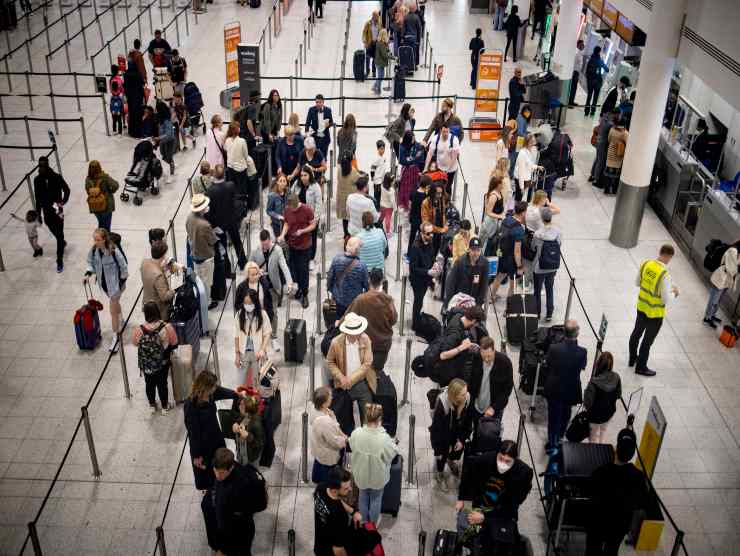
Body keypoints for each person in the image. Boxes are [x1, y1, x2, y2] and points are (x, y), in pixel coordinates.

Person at [455, 440, 533, 553]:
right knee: (463, 523)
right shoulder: (486, 459)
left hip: (502, 513)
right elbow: (468, 471)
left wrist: (484, 518)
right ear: (497, 454)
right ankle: (469, 547)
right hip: (482, 504)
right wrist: (461, 498)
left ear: (515, 460)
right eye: (500, 458)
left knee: (498, 543)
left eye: (508, 461)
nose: (503, 463)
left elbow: (511, 507)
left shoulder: (523, 474)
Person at [585, 428, 649, 555]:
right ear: (632, 454)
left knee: (592, 549)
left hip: (598, 522)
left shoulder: (601, 472)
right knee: (612, 549)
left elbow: (588, 492)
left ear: (616, 449)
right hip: (620, 526)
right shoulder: (639, 478)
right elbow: (642, 504)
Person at [203, 447, 267, 556]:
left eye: (222, 473)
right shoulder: (236, 467)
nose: (218, 476)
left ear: (231, 468)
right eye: (215, 471)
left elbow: (224, 525)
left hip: (237, 535)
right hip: (244, 526)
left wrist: (223, 549)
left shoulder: (232, 490)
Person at [184, 371, 242, 490]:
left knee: (220, 461)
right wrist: (197, 455)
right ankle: (211, 490)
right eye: (213, 386)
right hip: (203, 445)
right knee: (207, 470)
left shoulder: (211, 394)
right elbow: (193, 433)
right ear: (205, 388)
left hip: (215, 436)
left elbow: (221, 391)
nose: (215, 388)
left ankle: (221, 483)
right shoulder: (191, 406)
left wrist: (236, 394)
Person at [629, 244, 679, 377]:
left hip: (642, 307)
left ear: (660, 252)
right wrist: (675, 293)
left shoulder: (646, 264)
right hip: (655, 315)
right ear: (669, 256)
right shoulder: (665, 275)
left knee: (636, 334)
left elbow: (637, 283)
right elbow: (666, 299)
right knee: (647, 342)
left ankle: (632, 358)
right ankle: (641, 367)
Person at [349, 403, 399, 525]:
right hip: (377, 477)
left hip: (361, 473)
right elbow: (390, 455)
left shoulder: (357, 433)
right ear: (380, 419)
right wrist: (394, 443)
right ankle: (373, 525)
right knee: (376, 499)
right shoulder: (384, 438)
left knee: (363, 496)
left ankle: (364, 522)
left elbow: (351, 445)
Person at [248, 229, 295, 352]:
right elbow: (249, 267)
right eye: (263, 245)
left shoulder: (277, 250)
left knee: (273, 313)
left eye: (267, 244)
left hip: (273, 287)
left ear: (270, 240)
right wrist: (258, 271)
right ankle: (259, 335)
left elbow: (284, 267)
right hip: (259, 287)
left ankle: (273, 337)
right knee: (259, 311)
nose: (265, 247)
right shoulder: (255, 251)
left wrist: (289, 282)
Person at [544, 319, 587, 449]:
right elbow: (583, 366)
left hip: (555, 388)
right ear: (577, 333)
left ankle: (552, 441)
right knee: (566, 414)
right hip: (571, 389)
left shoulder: (554, 348)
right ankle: (561, 435)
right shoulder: (582, 352)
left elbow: (548, 364)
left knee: (553, 417)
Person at [327, 312, 376, 426]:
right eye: (354, 332)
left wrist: (351, 379)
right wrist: (340, 377)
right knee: (344, 420)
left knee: (368, 416)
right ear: (346, 331)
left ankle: (365, 436)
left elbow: (367, 363)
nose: (357, 335)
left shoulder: (365, 339)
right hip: (342, 385)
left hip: (361, 382)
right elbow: (330, 361)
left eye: (358, 331)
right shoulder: (336, 343)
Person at [84, 228, 128, 351]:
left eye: (98, 240)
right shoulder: (94, 251)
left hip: (116, 286)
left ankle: (116, 337)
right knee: (115, 305)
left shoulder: (113, 251)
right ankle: (121, 320)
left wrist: (120, 283)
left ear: (104, 240)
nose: (96, 242)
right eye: (94, 239)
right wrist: (88, 274)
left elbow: (124, 267)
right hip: (106, 286)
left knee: (112, 311)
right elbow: (90, 263)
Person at [347, 268, 397, 373]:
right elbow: (393, 320)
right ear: (382, 281)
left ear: (369, 280)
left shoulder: (361, 299)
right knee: (376, 373)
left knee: (362, 373)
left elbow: (349, 317)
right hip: (382, 346)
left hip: (364, 345)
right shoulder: (388, 300)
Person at [132, 301, 177, 414]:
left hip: (147, 364)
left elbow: (135, 343)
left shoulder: (140, 329)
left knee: (149, 384)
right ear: (158, 312)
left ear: (146, 314)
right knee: (162, 384)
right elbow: (174, 342)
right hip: (163, 362)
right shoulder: (166, 327)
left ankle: (152, 405)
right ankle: (164, 407)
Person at [429, 378, 472, 491]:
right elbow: (436, 431)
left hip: (457, 431)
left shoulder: (467, 399)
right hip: (444, 433)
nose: (465, 395)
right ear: (454, 395)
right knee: (442, 455)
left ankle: (450, 459)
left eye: (466, 392)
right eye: (462, 394)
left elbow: (467, 424)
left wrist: (461, 440)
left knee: (456, 451)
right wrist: (437, 450)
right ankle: (440, 473)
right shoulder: (443, 406)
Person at [468, 336, 513, 434]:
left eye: (489, 356)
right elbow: (471, 380)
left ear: (494, 350)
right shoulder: (477, 358)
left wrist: (494, 407)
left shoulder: (505, 363)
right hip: (477, 406)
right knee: (477, 432)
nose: (487, 359)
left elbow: (507, 390)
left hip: (494, 410)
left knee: (491, 436)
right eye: (484, 356)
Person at [313, 466, 362, 556]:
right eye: (346, 488)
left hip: (319, 545)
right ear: (335, 490)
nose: (350, 489)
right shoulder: (340, 516)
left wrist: (352, 511)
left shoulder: (321, 488)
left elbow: (336, 500)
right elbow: (338, 550)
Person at [33, 156, 70, 273]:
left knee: (59, 234)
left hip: (58, 211)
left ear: (48, 165)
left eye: (44, 165)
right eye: (40, 165)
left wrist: (62, 202)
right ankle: (62, 242)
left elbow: (67, 190)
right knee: (53, 229)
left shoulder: (57, 177)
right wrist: (38, 214)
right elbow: (37, 198)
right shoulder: (37, 180)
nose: (42, 168)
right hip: (47, 212)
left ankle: (59, 260)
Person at [279, 193, 316, 308]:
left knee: (303, 271)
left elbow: (313, 225)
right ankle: (299, 288)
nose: (292, 209)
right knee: (294, 269)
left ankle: (304, 294)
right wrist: (282, 235)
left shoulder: (307, 209)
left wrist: (302, 231)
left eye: (294, 207)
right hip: (292, 245)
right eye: (290, 207)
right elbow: (286, 223)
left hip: (304, 246)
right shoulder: (287, 209)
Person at [435, 306, 485, 385]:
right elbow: (443, 355)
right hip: (448, 373)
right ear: (474, 321)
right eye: (477, 324)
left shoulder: (459, 315)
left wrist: (468, 345)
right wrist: (462, 347)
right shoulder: (455, 333)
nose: (476, 326)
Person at [185, 193, 218, 310]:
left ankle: (199, 297)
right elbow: (213, 240)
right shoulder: (205, 225)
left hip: (194, 253)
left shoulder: (189, 217)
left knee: (199, 278)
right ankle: (207, 302)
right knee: (207, 282)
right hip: (206, 256)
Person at [310, 386, 348, 484]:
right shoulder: (325, 423)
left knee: (318, 463)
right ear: (323, 404)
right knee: (328, 473)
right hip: (327, 454)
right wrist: (345, 441)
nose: (332, 398)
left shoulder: (314, 408)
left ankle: (316, 478)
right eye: (330, 397)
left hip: (318, 446)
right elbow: (334, 442)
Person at [490, 201, 527, 301]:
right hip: (512, 260)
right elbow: (517, 251)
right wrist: (519, 266)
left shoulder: (506, 219)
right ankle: (509, 308)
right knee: (512, 283)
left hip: (502, 255)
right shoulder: (519, 230)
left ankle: (491, 297)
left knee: (500, 276)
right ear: (523, 213)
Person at [583, 352, 621, 444]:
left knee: (593, 436)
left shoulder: (594, 382)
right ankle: (602, 445)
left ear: (598, 364)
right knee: (603, 431)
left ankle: (593, 453)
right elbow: (618, 395)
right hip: (609, 412)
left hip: (595, 416)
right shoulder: (616, 377)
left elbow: (587, 403)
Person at [327, 237, 369, 319]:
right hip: (354, 301)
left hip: (339, 298)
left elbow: (330, 278)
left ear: (346, 246)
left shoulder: (336, 260)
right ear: (358, 250)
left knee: (340, 318)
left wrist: (332, 291)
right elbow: (366, 285)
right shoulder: (361, 266)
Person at [531, 207, 561, 321]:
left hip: (540, 267)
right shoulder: (558, 232)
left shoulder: (538, 233)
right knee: (550, 288)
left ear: (542, 219)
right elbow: (559, 245)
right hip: (553, 266)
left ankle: (537, 313)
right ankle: (549, 314)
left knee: (537, 290)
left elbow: (533, 247)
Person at [704, 240, 740, 327]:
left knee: (719, 300)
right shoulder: (733, 250)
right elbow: (732, 268)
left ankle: (713, 315)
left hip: (726, 280)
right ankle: (707, 317)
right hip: (721, 278)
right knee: (714, 299)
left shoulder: (738, 252)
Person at [291, 165, 323, 262]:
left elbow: (319, 204)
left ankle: (311, 259)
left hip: (311, 218)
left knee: (312, 239)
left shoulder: (316, 187)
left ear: (310, 175)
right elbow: (291, 196)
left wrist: (315, 220)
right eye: (301, 175)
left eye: (305, 175)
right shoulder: (297, 184)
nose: (303, 177)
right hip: (298, 217)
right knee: (300, 236)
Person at [445, 237, 488, 307]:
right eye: (473, 250)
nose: (476, 253)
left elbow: (484, 285)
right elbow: (451, 283)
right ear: (469, 250)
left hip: (474, 300)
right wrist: (450, 301)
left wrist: (478, 304)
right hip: (459, 300)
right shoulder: (460, 262)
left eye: (478, 250)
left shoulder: (484, 263)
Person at [409, 221, 435, 329]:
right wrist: (427, 272)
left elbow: (431, 256)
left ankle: (417, 318)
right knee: (418, 301)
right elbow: (414, 268)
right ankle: (415, 324)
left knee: (420, 300)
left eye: (432, 233)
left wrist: (434, 265)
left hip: (426, 278)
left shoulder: (429, 242)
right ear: (422, 233)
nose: (431, 235)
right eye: (428, 233)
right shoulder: (415, 247)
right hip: (418, 280)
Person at [84, 160, 119, 232]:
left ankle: (100, 236)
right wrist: (111, 191)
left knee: (101, 222)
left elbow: (88, 191)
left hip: (94, 206)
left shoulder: (88, 179)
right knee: (106, 226)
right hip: (106, 205)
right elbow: (116, 185)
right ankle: (104, 239)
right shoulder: (104, 177)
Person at [425, 123, 460, 191]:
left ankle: (447, 200)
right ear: (441, 131)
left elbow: (454, 157)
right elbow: (430, 153)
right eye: (444, 132)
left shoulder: (454, 139)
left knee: (447, 187)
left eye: (447, 131)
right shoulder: (436, 138)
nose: (446, 134)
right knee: (438, 186)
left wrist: (447, 170)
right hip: (439, 167)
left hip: (451, 169)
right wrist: (426, 167)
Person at [589, 109, 618, 186]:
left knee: (597, 159)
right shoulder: (610, 123)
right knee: (601, 162)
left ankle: (592, 175)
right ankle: (596, 179)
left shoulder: (605, 116)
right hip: (603, 144)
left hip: (598, 141)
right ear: (615, 114)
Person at [337, 157, 362, 239]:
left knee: (345, 218)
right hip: (351, 198)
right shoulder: (353, 172)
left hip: (342, 197)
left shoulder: (340, 170)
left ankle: (346, 234)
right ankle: (352, 235)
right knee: (352, 218)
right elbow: (359, 181)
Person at [479, 176, 505, 255]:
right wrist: (500, 216)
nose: (503, 185)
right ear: (497, 185)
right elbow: (488, 212)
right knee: (485, 242)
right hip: (490, 223)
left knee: (493, 242)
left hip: (495, 222)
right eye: (501, 183)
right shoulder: (493, 196)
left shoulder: (499, 192)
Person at [514, 133, 544, 202]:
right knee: (517, 197)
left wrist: (537, 167)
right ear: (529, 143)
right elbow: (520, 171)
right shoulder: (523, 153)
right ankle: (511, 211)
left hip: (525, 177)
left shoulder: (529, 151)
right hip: (520, 179)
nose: (535, 144)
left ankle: (514, 209)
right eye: (533, 142)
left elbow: (529, 163)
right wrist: (521, 186)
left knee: (519, 196)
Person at [603, 115, 629, 195]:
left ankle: (606, 189)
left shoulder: (612, 129)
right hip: (618, 155)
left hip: (610, 153)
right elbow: (628, 143)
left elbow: (609, 139)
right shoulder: (625, 133)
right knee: (616, 175)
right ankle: (614, 190)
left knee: (608, 173)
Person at [420, 182, 448, 256]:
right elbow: (426, 224)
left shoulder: (441, 200)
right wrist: (440, 230)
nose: (439, 195)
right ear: (432, 192)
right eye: (437, 193)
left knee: (435, 251)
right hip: (430, 234)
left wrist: (444, 225)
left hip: (439, 233)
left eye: (441, 193)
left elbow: (443, 213)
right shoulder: (425, 203)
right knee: (428, 254)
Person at [224, 121, 250, 197]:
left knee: (233, 188)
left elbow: (226, 150)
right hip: (241, 169)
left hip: (230, 168)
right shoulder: (242, 141)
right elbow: (246, 155)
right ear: (238, 130)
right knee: (241, 188)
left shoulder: (227, 140)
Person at [305, 94, 334, 159]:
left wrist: (328, 125)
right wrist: (307, 134)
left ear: (323, 102)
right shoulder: (311, 110)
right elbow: (307, 122)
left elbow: (331, 122)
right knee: (314, 156)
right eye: (317, 102)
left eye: (320, 102)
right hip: (315, 136)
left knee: (324, 157)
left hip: (325, 137)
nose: (318, 104)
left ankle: (323, 168)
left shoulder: (328, 110)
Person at [407, 174, 429, 253]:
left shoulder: (414, 191)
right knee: (422, 237)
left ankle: (409, 253)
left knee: (412, 236)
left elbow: (409, 204)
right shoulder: (426, 196)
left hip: (413, 218)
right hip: (422, 220)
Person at [584, 45, 609, 117]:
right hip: (597, 82)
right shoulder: (600, 61)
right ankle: (592, 112)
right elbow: (607, 69)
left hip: (590, 81)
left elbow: (587, 71)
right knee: (595, 98)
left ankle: (586, 111)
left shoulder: (591, 59)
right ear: (599, 52)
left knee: (589, 96)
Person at [154, 100, 176, 179]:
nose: (155, 111)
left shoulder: (167, 121)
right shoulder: (160, 120)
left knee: (168, 157)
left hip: (169, 141)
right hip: (163, 142)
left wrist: (159, 138)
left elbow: (169, 134)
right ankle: (170, 166)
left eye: (157, 109)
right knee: (163, 156)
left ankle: (171, 172)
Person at [267, 175, 289, 240]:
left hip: (287, 221)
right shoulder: (272, 195)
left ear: (286, 183)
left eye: (284, 181)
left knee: (288, 240)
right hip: (277, 223)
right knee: (279, 241)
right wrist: (278, 216)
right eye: (280, 181)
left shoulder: (288, 191)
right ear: (277, 182)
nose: (282, 183)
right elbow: (268, 211)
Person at [362, 11, 381, 78]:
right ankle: (367, 71)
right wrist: (364, 41)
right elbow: (364, 33)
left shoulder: (379, 23)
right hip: (369, 43)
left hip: (376, 43)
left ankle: (374, 71)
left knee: (375, 58)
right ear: (373, 16)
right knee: (367, 58)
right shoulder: (368, 23)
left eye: (378, 16)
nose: (377, 18)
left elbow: (380, 32)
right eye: (376, 16)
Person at [373, 29, 391, 95]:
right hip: (380, 63)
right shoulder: (381, 44)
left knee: (380, 76)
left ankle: (375, 87)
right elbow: (384, 54)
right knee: (381, 76)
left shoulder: (381, 43)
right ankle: (377, 88)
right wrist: (393, 57)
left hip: (379, 62)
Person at [370, 140, 388, 208]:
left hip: (381, 180)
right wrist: (372, 176)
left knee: (380, 196)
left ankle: (378, 208)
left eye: (383, 149)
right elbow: (372, 168)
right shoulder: (376, 158)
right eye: (381, 149)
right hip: (377, 180)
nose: (383, 150)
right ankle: (376, 208)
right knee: (377, 196)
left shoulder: (383, 157)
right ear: (378, 149)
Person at [569, 39, 585, 106]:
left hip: (576, 72)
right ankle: (570, 102)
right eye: (582, 44)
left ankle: (571, 101)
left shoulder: (579, 52)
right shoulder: (576, 53)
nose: (583, 46)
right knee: (573, 88)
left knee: (574, 88)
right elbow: (574, 63)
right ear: (578, 45)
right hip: (574, 72)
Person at [109, 65, 124, 135]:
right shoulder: (119, 80)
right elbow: (122, 89)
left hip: (112, 99)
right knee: (119, 117)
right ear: (117, 71)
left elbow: (110, 89)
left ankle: (114, 130)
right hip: (119, 99)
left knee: (114, 116)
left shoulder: (111, 79)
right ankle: (120, 132)